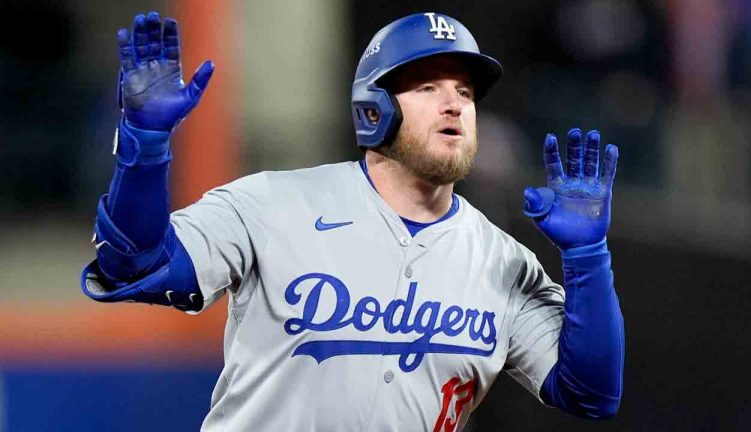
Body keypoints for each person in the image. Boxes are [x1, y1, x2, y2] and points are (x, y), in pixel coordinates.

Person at [81, 11, 624, 431]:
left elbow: (591, 393)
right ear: (374, 109)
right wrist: (145, 145)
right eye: (427, 87)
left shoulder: (504, 262)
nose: (454, 104)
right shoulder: (273, 203)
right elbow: (134, 264)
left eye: (464, 91)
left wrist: (587, 259)